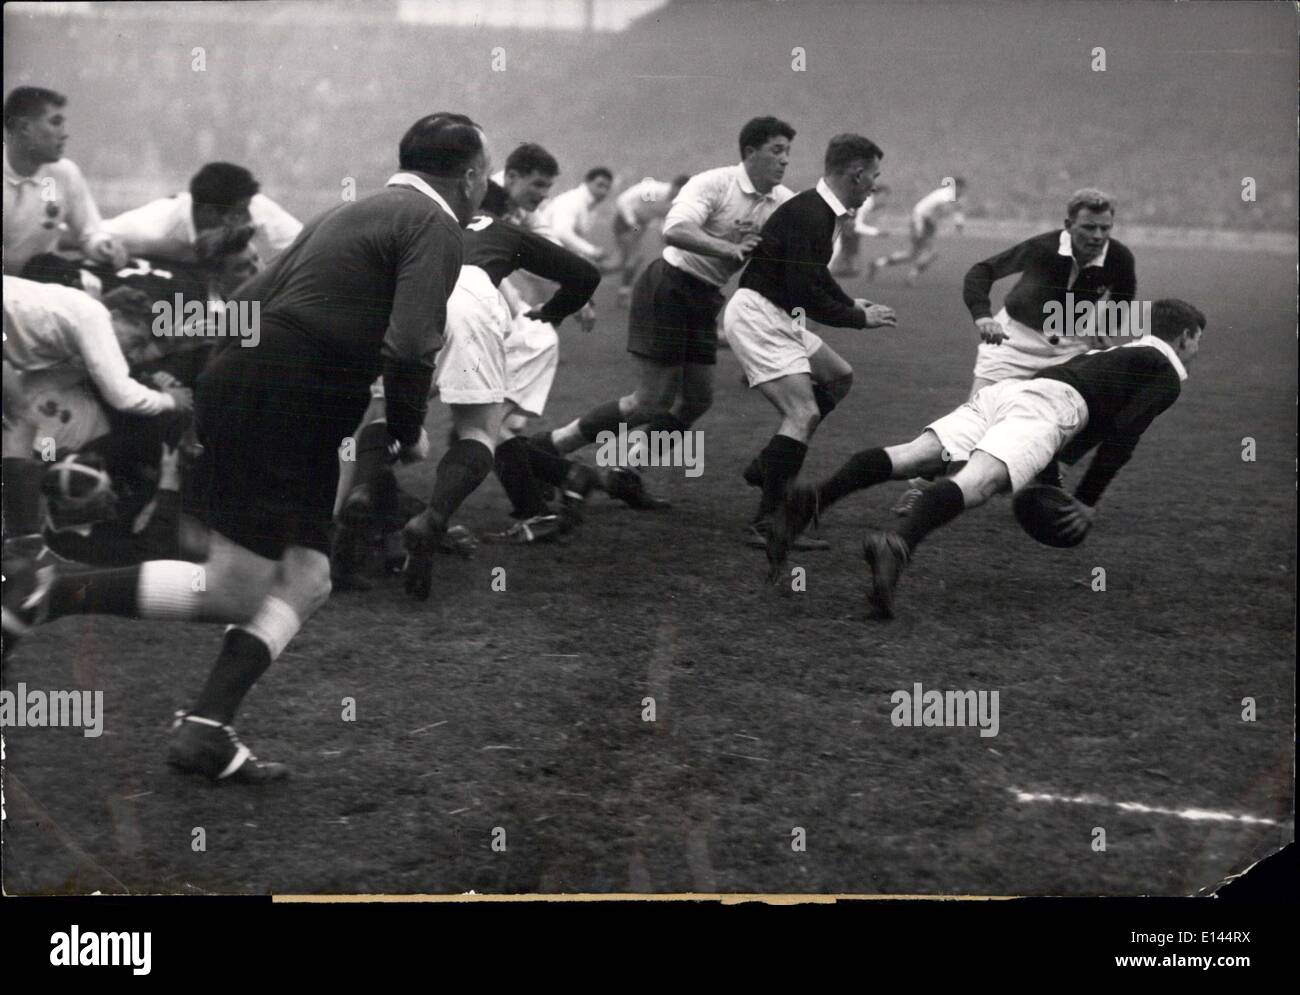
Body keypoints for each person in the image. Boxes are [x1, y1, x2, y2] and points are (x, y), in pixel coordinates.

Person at [2, 112, 489, 784]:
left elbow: (249, 300)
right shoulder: (434, 224)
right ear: (471, 175)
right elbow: (410, 343)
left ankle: (206, 728)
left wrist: (210, 388)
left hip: (266, 381)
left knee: (309, 574)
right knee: (236, 587)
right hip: (294, 392)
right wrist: (405, 428)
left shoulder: (345, 213)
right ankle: (51, 589)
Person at [769, 299, 1204, 617]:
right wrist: (1088, 500)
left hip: (1013, 390)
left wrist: (1051, 475)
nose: (1195, 351)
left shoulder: (1119, 353)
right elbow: (1124, 433)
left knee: (914, 456)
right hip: (1050, 407)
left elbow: (1097, 412)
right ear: (1184, 337)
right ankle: (896, 545)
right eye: (1197, 342)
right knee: (977, 483)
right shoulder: (1167, 371)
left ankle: (812, 498)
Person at [533, 117, 797, 498]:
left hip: (705, 296)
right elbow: (675, 230)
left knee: (696, 399)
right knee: (650, 402)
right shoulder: (713, 183)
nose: (784, 160)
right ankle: (550, 446)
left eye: (787, 152)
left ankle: (624, 467)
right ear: (750, 153)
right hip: (668, 286)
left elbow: (802, 234)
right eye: (776, 151)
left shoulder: (781, 200)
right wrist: (727, 247)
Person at [892, 188, 1138, 515]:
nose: (1097, 236)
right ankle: (922, 486)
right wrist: (982, 315)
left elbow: (1123, 295)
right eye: (1088, 228)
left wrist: (1106, 328)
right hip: (1012, 340)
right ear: (1068, 225)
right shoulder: (1043, 248)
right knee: (972, 425)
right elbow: (982, 271)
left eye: (1105, 229)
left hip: (1069, 347)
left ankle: (1048, 478)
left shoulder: (1119, 257)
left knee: (1074, 414)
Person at [723, 134, 897, 548]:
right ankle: (766, 523)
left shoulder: (822, 212)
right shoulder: (812, 215)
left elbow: (815, 277)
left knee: (838, 377)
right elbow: (805, 291)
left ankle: (769, 465)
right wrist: (858, 318)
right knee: (801, 414)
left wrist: (850, 301)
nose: (874, 184)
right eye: (873, 175)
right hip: (759, 316)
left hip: (775, 312)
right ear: (856, 174)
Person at [3, 86, 127, 274]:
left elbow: (90, 234)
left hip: (43, 289)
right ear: (24, 127)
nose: (64, 133)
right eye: (55, 122)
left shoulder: (65, 173)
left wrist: (102, 247)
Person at [101, 161, 302, 264]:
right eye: (238, 213)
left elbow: (306, 246)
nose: (248, 220)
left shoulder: (254, 206)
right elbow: (89, 235)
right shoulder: (155, 223)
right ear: (209, 212)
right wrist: (152, 247)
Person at [866, 177, 965, 285]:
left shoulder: (952, 196)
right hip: (921, 220)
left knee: (913, 254)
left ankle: (877, 264)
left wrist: (958, 223)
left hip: (927, 222)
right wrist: (919, 227)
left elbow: (955, 210)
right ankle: (911, 277)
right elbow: (944, 209)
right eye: (961, 188)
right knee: (931, 252)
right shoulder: (945, 195)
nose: (962, 192)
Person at [611, 173, 690, 305]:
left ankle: (594, 272)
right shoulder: (654, 190)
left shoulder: (676, 202)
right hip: (626, 222)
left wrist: (665, 238)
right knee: (635, 256)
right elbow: (622, 200)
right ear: (675, 186)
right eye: (682, 191)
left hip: (640, 225)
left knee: (620, 262)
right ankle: (623, 294)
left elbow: (663, 219)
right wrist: (632, 222)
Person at [828, 183, 889, 277]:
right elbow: (857, 226)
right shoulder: (865, 203)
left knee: (837, 246)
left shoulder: (865, 201)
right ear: (878, 194)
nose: (885, 201)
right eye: (884, 197)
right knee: (835, 247)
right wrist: (877, 232)